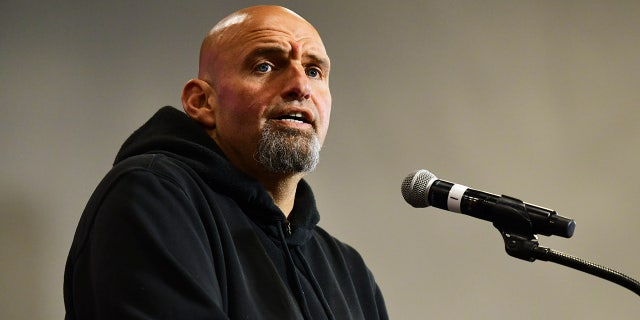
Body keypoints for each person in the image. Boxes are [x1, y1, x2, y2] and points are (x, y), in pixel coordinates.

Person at [63, 5, 388, 320]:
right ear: (201, 102)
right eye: (265, 66)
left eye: (314, 71)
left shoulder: (351, 274)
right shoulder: (151, 198)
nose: (301, 86)